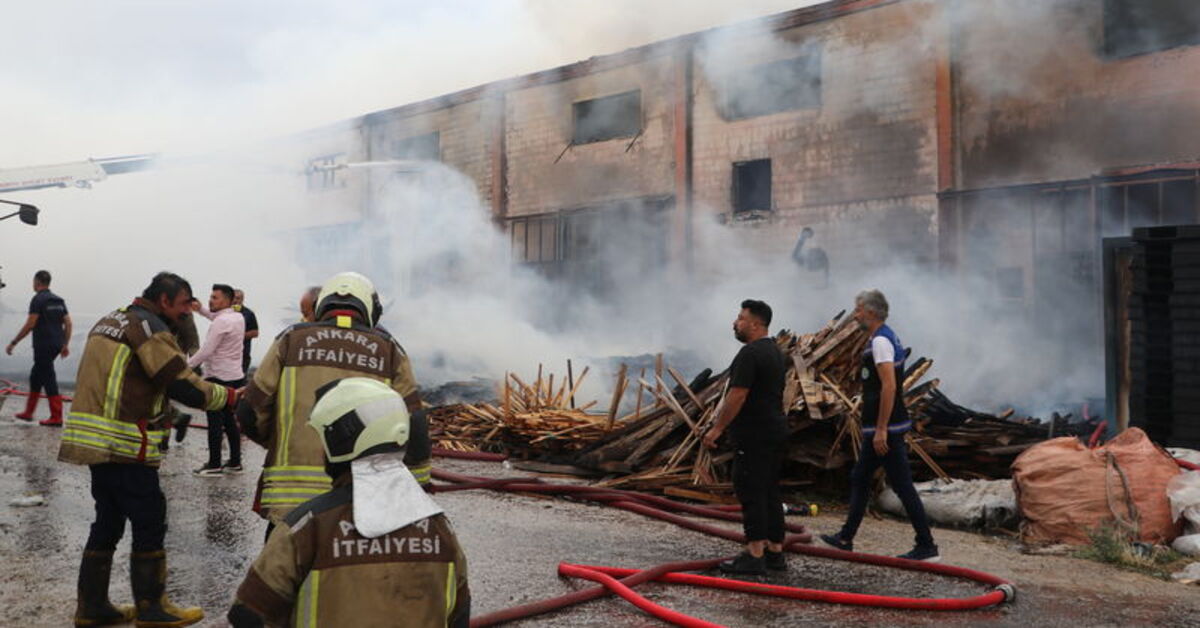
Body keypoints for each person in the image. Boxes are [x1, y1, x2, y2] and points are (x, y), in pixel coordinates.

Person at [58, 271, 241, 627]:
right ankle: (152, 608)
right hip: (123, 441)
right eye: (185, 304)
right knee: (149, 518)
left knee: (108, 521)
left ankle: (92, 607)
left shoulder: (113, 319)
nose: (189, 311)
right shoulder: (150, 329)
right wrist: (230, 396)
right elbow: (181, 384)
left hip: (95, 440)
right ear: (164, 301)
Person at [228, 377, 469, 627]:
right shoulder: (442, 530)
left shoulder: (307, 528)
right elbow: (460, 615)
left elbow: (246, 614)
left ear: (340, 441)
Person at [237, 271, 431, 539]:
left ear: (321, 306)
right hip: (363, 503)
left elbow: (249, 411)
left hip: (290, 505)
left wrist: (279, 440)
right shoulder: (389, 350)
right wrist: (418, 484)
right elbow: (414, 423)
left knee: (280, 578)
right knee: (346, 578)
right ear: (370, 310)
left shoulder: (290, 339)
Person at [820, 289, 939, 562]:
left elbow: (889, 386)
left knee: (902, 485)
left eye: (858, 309)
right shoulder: (881, 337)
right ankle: (845, 537)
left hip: (886, 429)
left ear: (871, 312)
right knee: (861, 478)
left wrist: (882, 429)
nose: (856, 314)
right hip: (880, 426)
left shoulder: (881, 342)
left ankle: (926, 545)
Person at [702, 299, 787, 575]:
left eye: (740, 318)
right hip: (775, 431)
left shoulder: (750, 354)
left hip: (754, 434)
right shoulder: (775, 352)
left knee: (751, 491)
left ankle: (754, 555)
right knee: (770, 491)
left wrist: (717, 429)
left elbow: (738, 395)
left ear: (755, 323)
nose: (735, 323)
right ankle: (775, 552)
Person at [189, 283, 246, 476]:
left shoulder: (221, 322)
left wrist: (184, 367)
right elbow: (217, 316)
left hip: (218, 378)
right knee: (229, 420)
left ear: (227, 301)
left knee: (214, 421)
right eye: (211, 296)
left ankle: (214, 464)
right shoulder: (237, 317)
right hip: (235, 377)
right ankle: (235, 462)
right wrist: (201, 310)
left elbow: (206, 350)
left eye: (215, 298)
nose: (210, 300)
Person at [6, 269, 72, 426]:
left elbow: (30, 324)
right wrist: (65, 344)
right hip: (56, 344)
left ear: (36, 282)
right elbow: (68, 323)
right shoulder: (58, 301)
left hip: (43, 345)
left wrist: (14, 342)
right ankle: (29, 412)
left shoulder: (38, 300)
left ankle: (56, 417)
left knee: (48, 378)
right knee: (36, 375)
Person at [233, 288, 259, 375]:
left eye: (238, 298)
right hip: (225, 356)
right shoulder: (224, 312)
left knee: (239, 383)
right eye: (233, 298)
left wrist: (238, 336)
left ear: (242, 299)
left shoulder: (249, 314)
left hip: (242, 355)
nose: (235, 300)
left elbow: (255, 333)